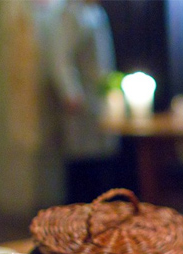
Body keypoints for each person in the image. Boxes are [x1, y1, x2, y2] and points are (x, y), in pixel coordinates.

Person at [46, 0, 120, 204]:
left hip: (98, 100)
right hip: (82, 102)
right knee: (82, 165)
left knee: (100, 162)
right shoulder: (71, 14)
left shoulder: (95, 12)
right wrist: (70, 93)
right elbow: (61, 58)